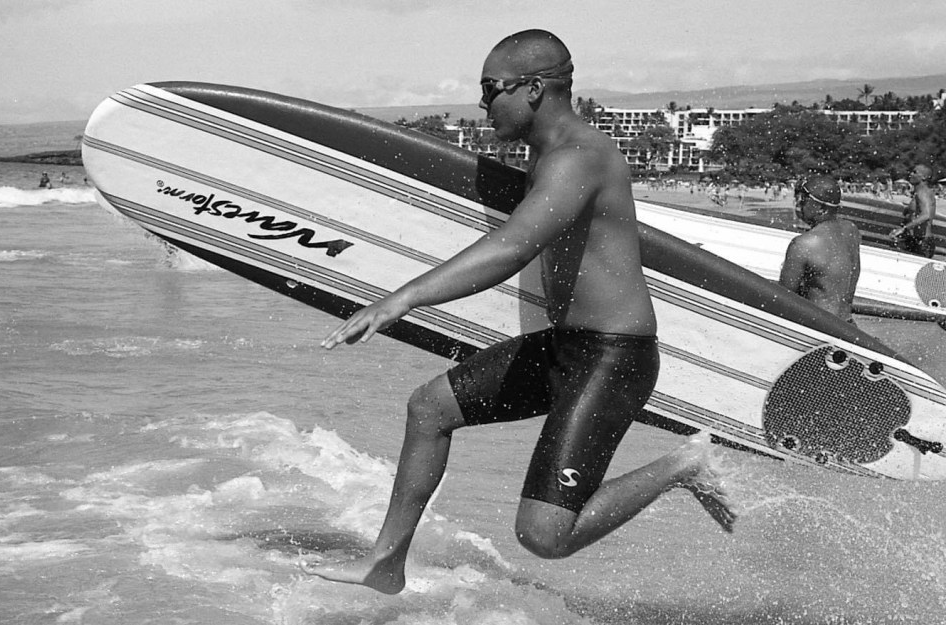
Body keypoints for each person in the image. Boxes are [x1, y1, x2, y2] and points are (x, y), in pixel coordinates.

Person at [307, 29, 736, 595]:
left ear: (533, 88)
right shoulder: (548, 154)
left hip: (613, 359)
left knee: (543, 536)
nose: (483, 104)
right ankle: (385, 564)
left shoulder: (580, 158)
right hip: (565, 345)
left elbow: (513, 247)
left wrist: (401, 299)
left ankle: (683, 465)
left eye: (491, 89)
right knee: (429, 409)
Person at [778, 175, 860, 323]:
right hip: (847, 325)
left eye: (804, 199)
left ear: (821, 208)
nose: (799, 203)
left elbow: (783, 300)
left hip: (819, 327)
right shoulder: (851, 230)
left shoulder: (802, 245)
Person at [891, 164, 938, 258]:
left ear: (924, 177)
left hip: (922, 242)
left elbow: (926, 215)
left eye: (915, 172)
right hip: (916, 239)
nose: (911, 174)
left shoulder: (923, 193)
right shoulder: (919, 193)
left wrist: (904, 229)